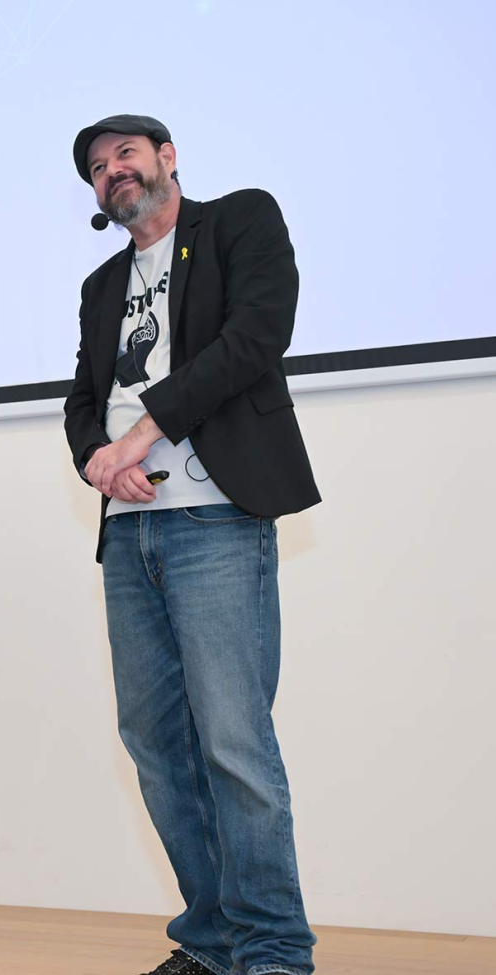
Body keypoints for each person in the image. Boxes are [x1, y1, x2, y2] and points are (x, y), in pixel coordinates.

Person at [63, 115, 320, 975]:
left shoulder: (241, 219)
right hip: (128, 533)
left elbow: (256, 337)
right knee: (155, 745)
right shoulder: (102, 284)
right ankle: (214, 944)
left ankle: (275, 951)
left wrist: (144, 432)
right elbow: (81, 399)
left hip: (217, 518)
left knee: (233, 742)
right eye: (97, 167)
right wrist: (100, 461)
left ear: (167, 158)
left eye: (125, 154)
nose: (112, 171)